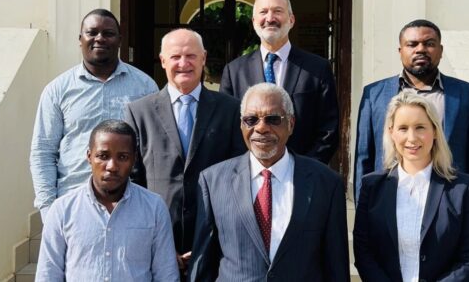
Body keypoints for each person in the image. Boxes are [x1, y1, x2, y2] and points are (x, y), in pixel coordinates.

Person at [189, 83, 350, 282]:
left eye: (273, 119)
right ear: (241, 125)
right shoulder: (212, 182)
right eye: (251, 119)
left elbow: (337, 267)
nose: (261, 128)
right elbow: (203, 265)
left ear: (290, 124)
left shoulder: (325, 183)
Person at [124, 28, 246, 278]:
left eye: (191, 56)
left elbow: (239, 177)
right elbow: (133, 183)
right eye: (175, 57)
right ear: (162, 60)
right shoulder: (139, 113)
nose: (183, 63)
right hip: (157, 241)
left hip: (216, 241)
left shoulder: (231, 110)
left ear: (203, 58)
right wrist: (158, 242)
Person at [354, 19, 469, 236]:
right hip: (388, 208)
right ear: (400, 51)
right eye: (412, 44)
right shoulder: (374, 94)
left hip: (448, 214)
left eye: (429, 43)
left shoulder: (467, 95)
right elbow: (364, 159)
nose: (420, 49)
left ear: (441, 50)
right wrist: (363, 219)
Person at [30, 8, 158, 221]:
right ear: (80, 39)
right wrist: (47, 209)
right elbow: (43, 152)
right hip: (73, 205)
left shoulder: (145, 87)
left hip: (130, 205)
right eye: (92, 32)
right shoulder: (58, 91)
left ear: (119, 40)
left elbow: (153, 151)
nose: (99, 38)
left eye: (108, 33)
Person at [353, 92, 469, 281]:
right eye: (403, 128)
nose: (412, 138)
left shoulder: (464, 188)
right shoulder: (371, 186)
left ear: (435, 132)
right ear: (391, 132)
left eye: (420, 127)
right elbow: (364, 252)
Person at [35, 120, 179, 282]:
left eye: (123, 157)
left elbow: (166, 275)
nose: (112, 166)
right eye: (103, 156)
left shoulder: (154, 208)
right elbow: (48, 275)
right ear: (89, 156)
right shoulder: (62, 210)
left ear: (134, 159)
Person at [220, 0, 339, 164]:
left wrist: (303, 169)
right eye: (263, 12)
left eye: (277, 11)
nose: (270, 18)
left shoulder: (317, 69)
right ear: (253, 21)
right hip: (250, 178)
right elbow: (227, 128)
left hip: (302, 178)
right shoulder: (234, 72)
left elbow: (329, 130)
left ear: (291, 20)